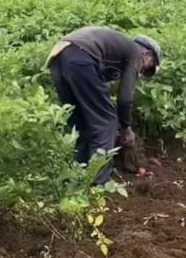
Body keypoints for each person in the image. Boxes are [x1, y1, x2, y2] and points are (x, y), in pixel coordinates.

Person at [46, 27, 162, 183]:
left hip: (58, 57)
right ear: (147, 55)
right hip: (81, 56)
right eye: (148, 66)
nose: (141, 71)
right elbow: (125, 98)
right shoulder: (135, 53)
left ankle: (77, 177)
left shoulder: (117, 51)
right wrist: (126, 128)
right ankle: (98, 184)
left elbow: (99, 92)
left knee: (81, 122)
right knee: (106, 122)